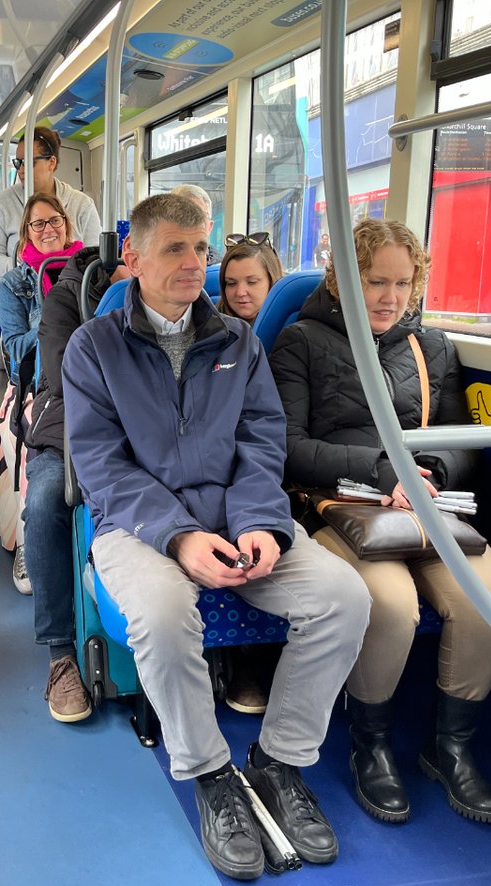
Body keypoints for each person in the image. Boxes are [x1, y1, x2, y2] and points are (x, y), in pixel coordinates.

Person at [62, 194, 371, 881]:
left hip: (238, 515)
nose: (195, 263)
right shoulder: (95, 349)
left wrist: (260, 523)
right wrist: (178, 538)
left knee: (344, 597)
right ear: (133, 259)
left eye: (201, 248)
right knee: (167, 614)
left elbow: (263, 443)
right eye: (176, 248)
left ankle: (280, 761)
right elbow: (101, 466)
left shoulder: (237, 342)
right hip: (137, 527)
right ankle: (210, 776)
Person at [268, 218, 491, 826]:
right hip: (341, 502)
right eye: (375, 281)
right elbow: (288, 447)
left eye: (403, 283)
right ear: (342, 278)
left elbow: (461, 438)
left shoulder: (432, 350)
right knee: (389, 601)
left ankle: (449, 748)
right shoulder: (300, 341)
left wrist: (426, 467)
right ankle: (370, 745)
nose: (389, 297)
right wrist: (385, 470)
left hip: (427, 501)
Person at [19, 236, 129, 721]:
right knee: (45, 501)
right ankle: (60, 654)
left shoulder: (178, 297)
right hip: (67, 426)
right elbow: (68, 375)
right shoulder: (68, 295)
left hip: (140, 431)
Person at [0, 194, 84, 596]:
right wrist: (52, 319)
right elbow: (13, 349)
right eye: (37, 224)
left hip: (85, 381)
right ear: (25, 233)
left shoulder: (92, 272)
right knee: (32, 443)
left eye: (55, 221)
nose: (48, 230)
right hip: (32, 384)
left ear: (67, 225)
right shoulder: (16, 282)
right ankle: (30, 540)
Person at [211, 231, 289, 715]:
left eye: (253, 282)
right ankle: (240, 657)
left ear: (272, 284)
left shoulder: (290, 337)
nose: (242, 292)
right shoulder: (215, 339)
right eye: (232, 283)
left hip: (277, 459)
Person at [0, 127, 100, 312]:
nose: (20, 170)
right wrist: (26, 271)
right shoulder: (2, 205)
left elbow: (94, 255)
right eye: (17, 162)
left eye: (28, 162)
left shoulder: (81, 204)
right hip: (14, 285)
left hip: (71, 283)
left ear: (51, 162)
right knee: (38, 309)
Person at [170, 184, 221, 265]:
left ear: (209, 227)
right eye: (182, 215)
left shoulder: (223, 274)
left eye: (199, 216)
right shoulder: (150, 266)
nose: (191, 222)